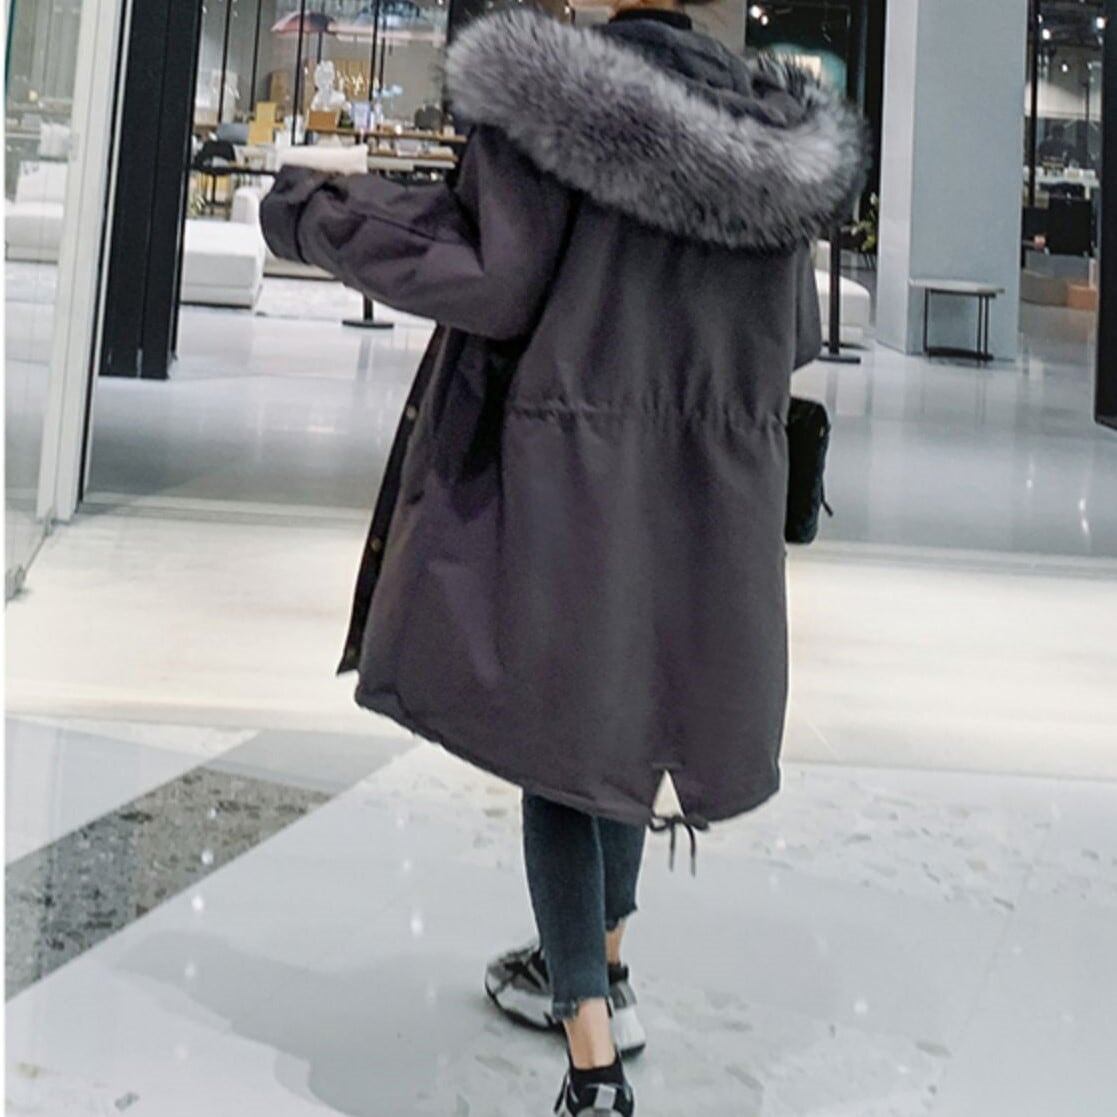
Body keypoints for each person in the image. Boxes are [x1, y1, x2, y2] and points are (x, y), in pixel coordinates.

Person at [262, 1, 865, 1111]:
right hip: (709, 481)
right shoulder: (776, 140)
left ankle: (590, 1057)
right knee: (638, 720)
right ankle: (606, 968)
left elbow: (485, 277)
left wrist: (313, 216)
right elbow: (795, 338)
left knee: (563, 745)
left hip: (571, 461)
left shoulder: (550, 102)